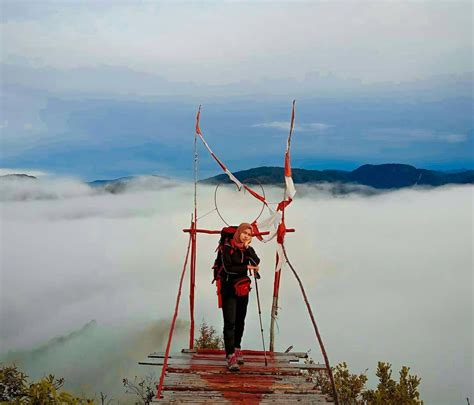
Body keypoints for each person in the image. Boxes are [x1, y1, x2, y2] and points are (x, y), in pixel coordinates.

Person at [220, 222, 260, 371]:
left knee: (240, 320)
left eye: (249, 235)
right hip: (229, 290)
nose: (246, 236)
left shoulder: (247, 250)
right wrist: (246, 267)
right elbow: (228, 268)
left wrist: (248, 249)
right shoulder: (227, 248)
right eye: (244, 233)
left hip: (243, 290)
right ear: (238, 233)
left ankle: (237, 348)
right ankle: (230, 355)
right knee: (230, 322)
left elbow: (257, 262)